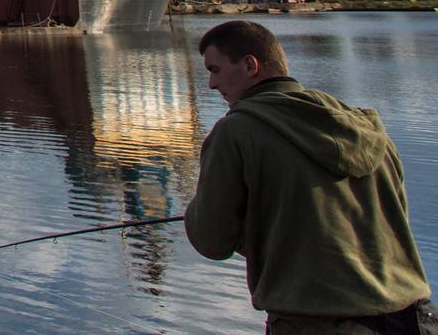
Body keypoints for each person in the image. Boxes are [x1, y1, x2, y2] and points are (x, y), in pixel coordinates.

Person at [185, 20, 436, 334]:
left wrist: (198, 212)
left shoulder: (236, 131)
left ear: (250, 66)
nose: (210, 84)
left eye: (215, 70)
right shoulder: (364, 127)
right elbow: (395, 217)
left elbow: (212, 240)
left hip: (316, 320)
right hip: (413, 315)